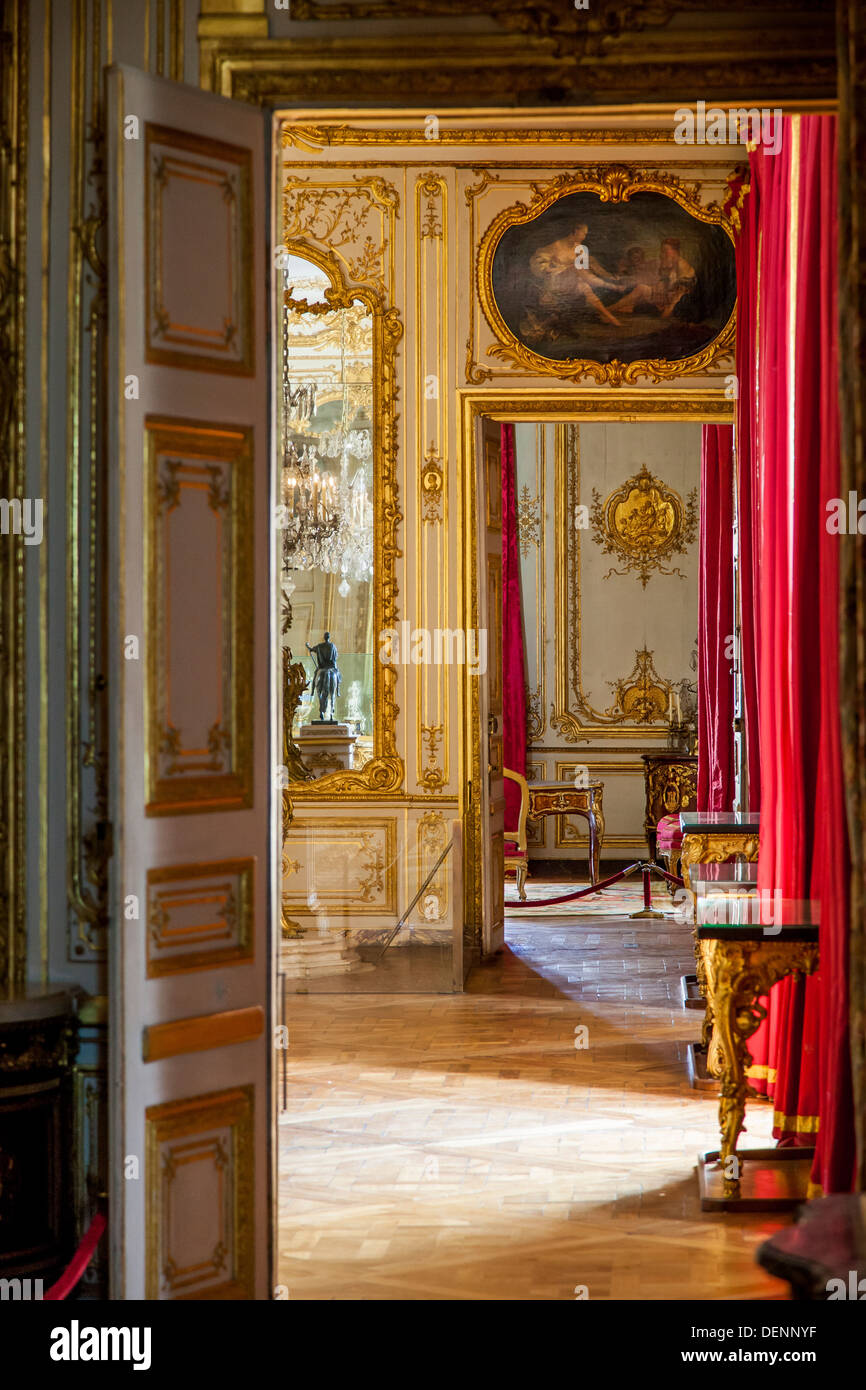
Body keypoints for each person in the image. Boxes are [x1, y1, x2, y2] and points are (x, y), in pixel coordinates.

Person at [527, 220, 622, 327]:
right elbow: (539, 261)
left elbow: (587, 270)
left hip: (573, 282)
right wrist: (549, 269)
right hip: (556, 283)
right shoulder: (556, 246)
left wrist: (608, 275)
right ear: (575, 231)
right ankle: (610, 287)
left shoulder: (581, 249)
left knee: (584, 286)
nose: (585, 237)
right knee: (577, 270)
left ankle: (609, 316)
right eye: (584, 233)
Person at [306, 632, 341, 722]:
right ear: (328, 638)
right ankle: (338, 691)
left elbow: (311, 649)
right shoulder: (333, 646)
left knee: (315, 676)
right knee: (337, 675)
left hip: (322, 668)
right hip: (331, 667)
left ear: (324, 637)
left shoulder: (319, 646)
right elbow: (335, 657)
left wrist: (308, 647)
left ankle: (313, 691)